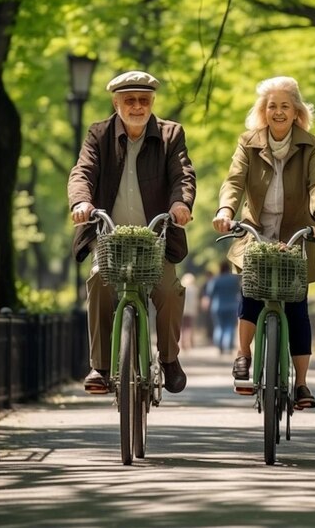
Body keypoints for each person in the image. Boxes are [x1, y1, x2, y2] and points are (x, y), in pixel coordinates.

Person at [68, 70, 196, 395]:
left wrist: (181, 204)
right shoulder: (98, 134)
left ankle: (168, 359)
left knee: (168, 291)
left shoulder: (171, 134)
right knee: (98, 281)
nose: (137, 106)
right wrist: (81, 202)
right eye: (130, 100)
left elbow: (182, 174)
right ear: (116, 103)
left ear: (152, 102)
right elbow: (82, 171)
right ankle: (99, 366)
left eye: (144, 100)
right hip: (110, 238)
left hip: (155, 239)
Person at [212, 76, 315, 410]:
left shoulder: (311, 144)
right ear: (263, 112)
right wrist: (225, 210)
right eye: (271, 106)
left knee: (297, 307)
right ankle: (243, 355)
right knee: (251, 293)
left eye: (284, 106)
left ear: (296, 112)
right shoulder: (248, 142)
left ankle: (303, 384)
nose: (278, 112)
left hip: (296, 235)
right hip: (256, 231)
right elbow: (234, 180)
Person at [206, 260, 241, 354]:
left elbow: (210, 293)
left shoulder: (216, 279)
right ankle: (228, 346)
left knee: (219, 327)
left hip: (218, 306)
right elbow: (239, 290)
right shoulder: (234, 279)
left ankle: (220, 346)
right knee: (229, 327)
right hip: (232, 306)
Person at [180, 272, 200, 350]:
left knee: (182, 327)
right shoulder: (194, 289)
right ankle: (188, 343)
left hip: (182, 310)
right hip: (191, 311)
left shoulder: (181, 288)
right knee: (189, 327)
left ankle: (181, 343)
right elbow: (196, 301)